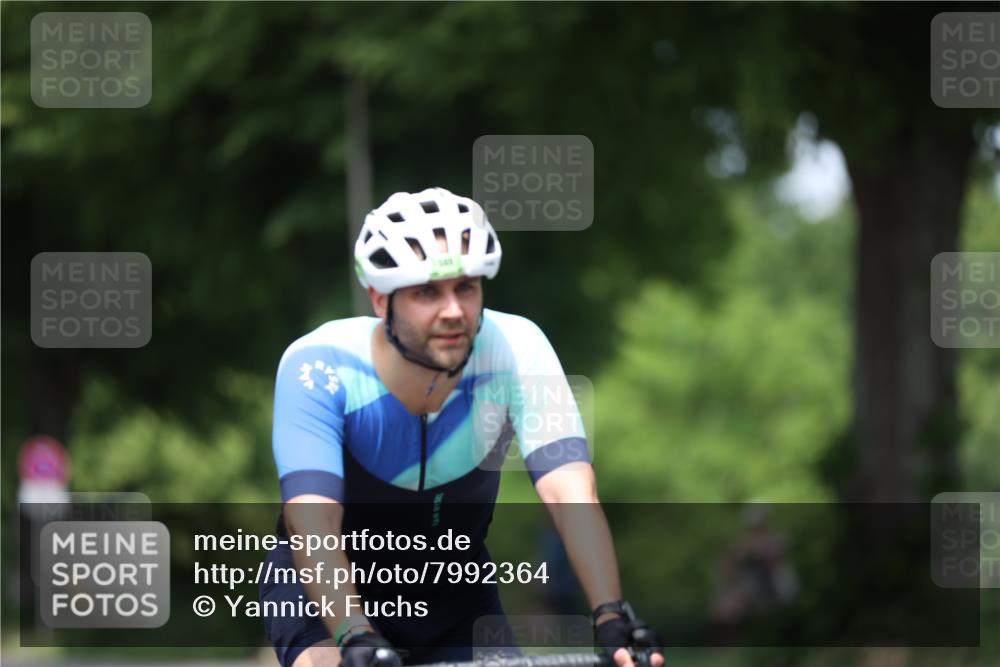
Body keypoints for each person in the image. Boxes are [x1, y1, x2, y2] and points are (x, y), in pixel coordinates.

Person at [259, 188, 664, 667]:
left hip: (455, 596)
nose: (452, 310)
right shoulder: (319, 366)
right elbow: (312, 522)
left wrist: (610, 616)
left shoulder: (517, 348)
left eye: (466, 287)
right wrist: (354, 636)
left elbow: (569, 492)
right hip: (324, 594)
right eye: (427, 291)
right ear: (379, 299)